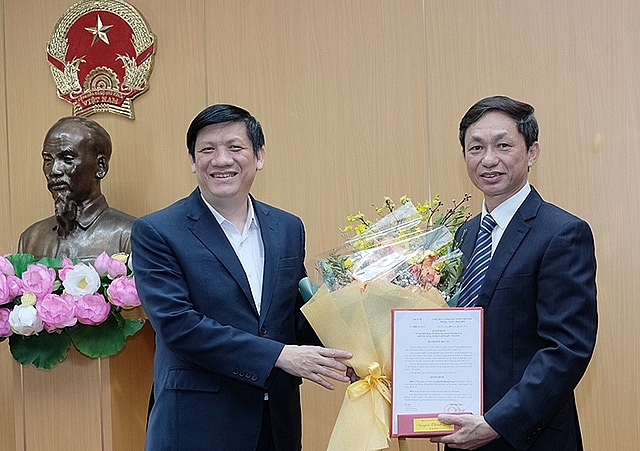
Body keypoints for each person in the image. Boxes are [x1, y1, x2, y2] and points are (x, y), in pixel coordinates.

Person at [131, 104, 353, 451]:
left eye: (235, 147)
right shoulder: (157, 231)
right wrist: (279, 356)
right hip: (196, 427)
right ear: (192, 161)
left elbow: (293, 317)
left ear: (259, 156)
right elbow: (178, 325)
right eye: (208, 149)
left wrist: (356, 347)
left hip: (276, 425)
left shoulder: (287, 227)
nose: (222, 160)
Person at [431, 96, 598, 450]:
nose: (488, 159)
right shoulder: (462, 236)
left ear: (532, 152)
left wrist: (496, 423)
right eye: (476, 147)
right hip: (460, 430)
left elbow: (566, 349)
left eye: (503, 145)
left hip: (529, 437)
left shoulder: (562, 233)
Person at [18, 116, 135, 260]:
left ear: (100, 166)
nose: (54, 170)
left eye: (67, 159)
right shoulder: (30, 239)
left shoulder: (128, 235)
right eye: (48, 160)